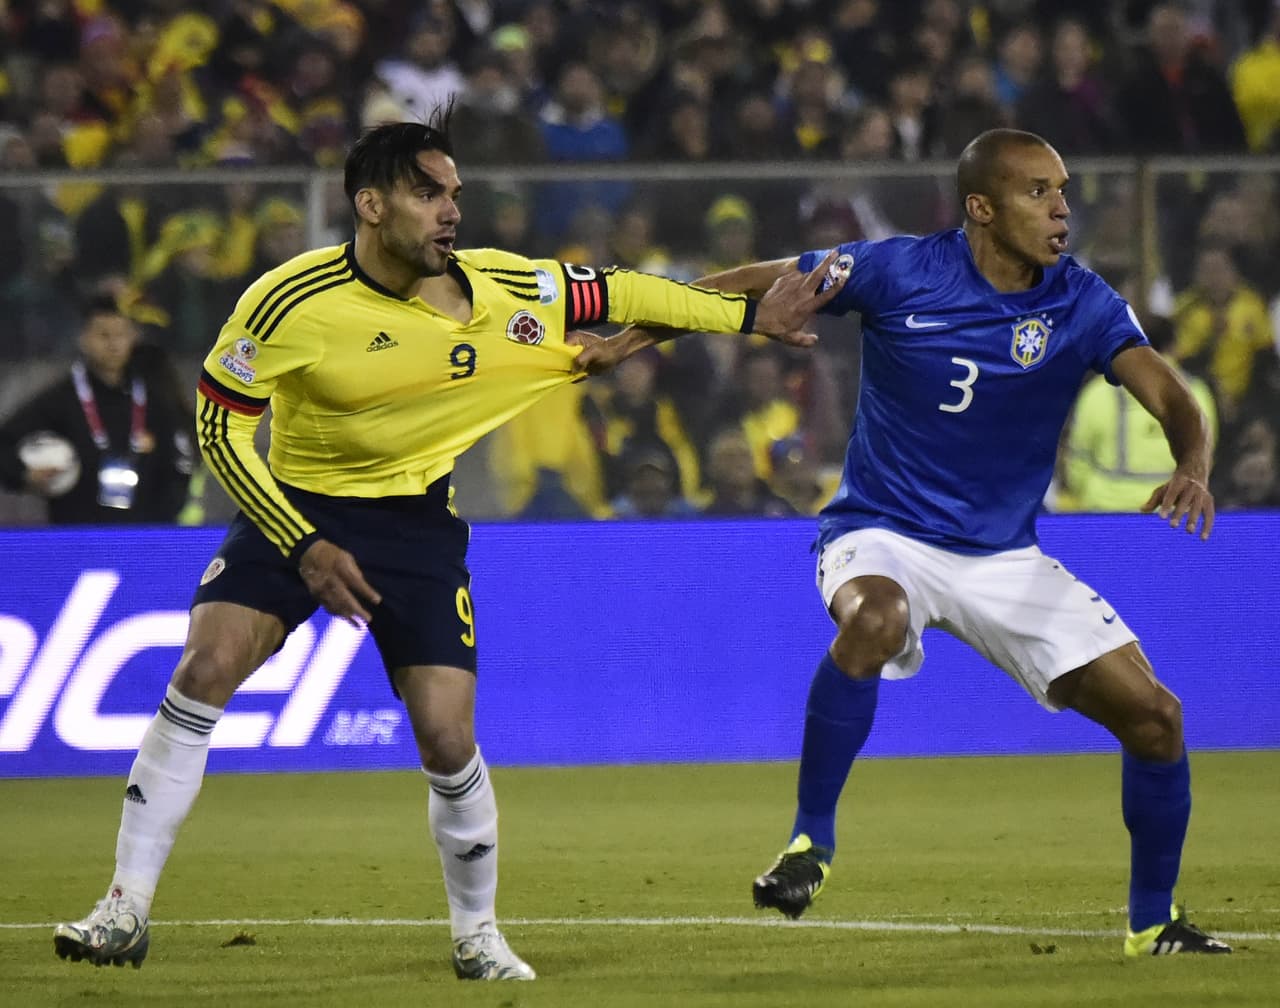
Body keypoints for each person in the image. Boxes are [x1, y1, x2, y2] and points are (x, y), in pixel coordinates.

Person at [50, 112, 838, 982]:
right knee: (203, 670)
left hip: (415, 526)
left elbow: (632, 292)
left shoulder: (506, 285)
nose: (451, 211)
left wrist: (746, 315)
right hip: (295, 507)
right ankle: (122, 909)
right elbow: (217, 425)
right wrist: (304, 544)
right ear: (372, 204)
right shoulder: (288, 300)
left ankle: (478, 935)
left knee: (446, 736)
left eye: (455, 193)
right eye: (429, 193)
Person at [577, 128, 1231, 957]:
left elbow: (1169, 393)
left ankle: (1152, 924)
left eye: (1062, 189)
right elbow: (743, 284)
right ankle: (810, 844)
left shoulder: (1084, 301)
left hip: (1003, 557)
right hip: (882, 534)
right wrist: (623, 341)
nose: (1062, 206)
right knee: (876, 620)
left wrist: (1195, 465)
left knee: (1157, 719)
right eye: (1038, 191)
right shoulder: (898, 269)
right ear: (982, 208)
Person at [0, 294, 193, 525]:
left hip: (145, 534)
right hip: (76, 533)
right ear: (83, 338)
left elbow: (179, 462)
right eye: (103, 335)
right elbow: (5, 441)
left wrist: (162, 521)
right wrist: (24, 475)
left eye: (121, 335)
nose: (113, 344)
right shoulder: (60, 399)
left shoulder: (155, 397)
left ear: (132, 338)